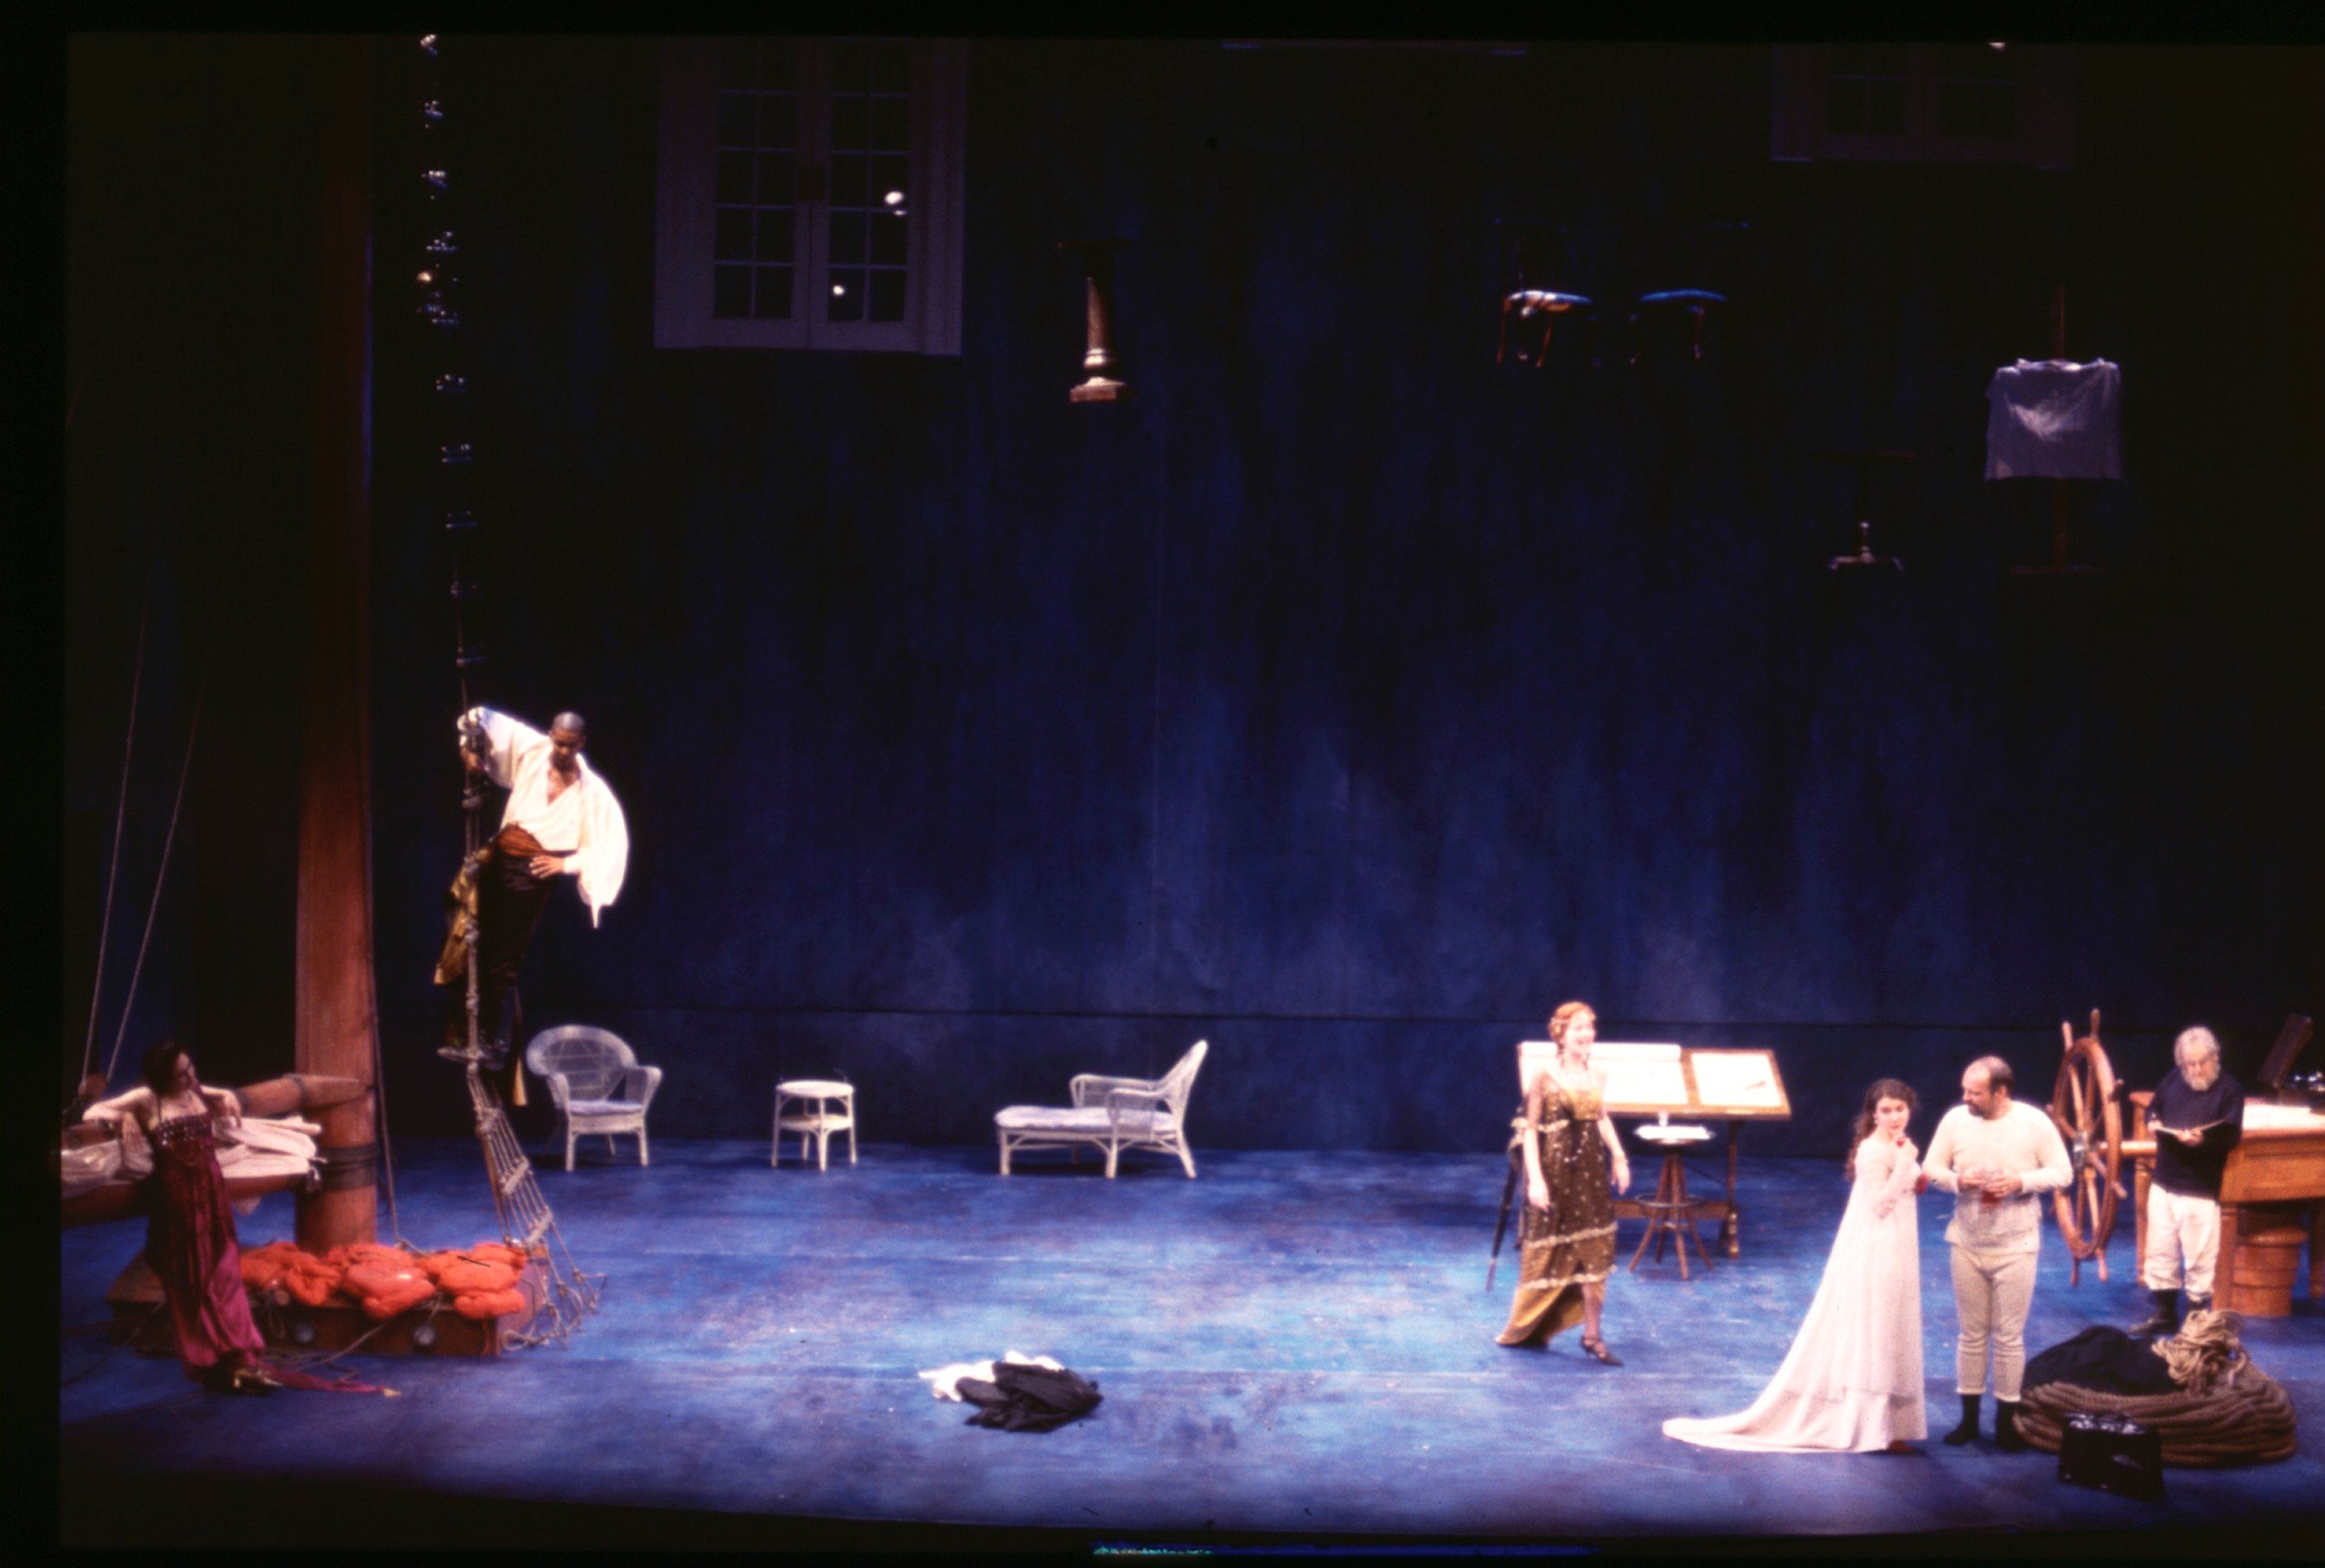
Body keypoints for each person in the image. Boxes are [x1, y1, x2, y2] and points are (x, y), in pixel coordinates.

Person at [1663, 1079, 1927, 1452]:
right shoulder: (1873, 1150)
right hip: (1876, 1250)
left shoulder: (1899, 1145)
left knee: (1892, 1324)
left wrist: (1915, 1171)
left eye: (1900, 1109)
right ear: (1873, 1114)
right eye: (1886, 1110)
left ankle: (1891, 1427)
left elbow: (1908, 1187)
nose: (1895, 1117)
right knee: (1876, 1326)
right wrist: (1904, 1167)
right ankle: (1870, 1428)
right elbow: (1879, 1205)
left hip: (1898, 1245)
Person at [439, 705, 629, 1068]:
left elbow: (609, 846)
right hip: (499, 858)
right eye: (558, 742)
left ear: (582, 743)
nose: (562, 751)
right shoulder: (533, 749)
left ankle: (491, 1042)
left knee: (505, 955)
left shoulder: (592, 792)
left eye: (570, 745)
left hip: (532, 872)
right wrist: (468, 751)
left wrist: (565, 864)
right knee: (470, 938)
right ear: (551, 736)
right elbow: (478, 717)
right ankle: (464, 1035)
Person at [82, 1040, 273, 1392]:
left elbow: (208, 1089)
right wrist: (125, 1116)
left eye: (190, 1068)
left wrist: (224, 1094)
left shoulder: (195, 1088)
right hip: (177, 1198)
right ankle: (215, 1364)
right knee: (192, 1282)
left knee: (225, 1272)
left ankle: (244, 1360)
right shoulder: (146, 1098)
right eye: (180, 1074)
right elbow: (92, 1111)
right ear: (161, 1077)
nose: (189, 1077)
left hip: (211, 1192)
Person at [1921, 1055, 2072, 1450]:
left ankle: (2006, 1424)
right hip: (1967, 1243)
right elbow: (1930, 1168)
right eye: (1965, 1090)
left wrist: (2021, 1181)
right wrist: (1958, 1180)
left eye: (1975, 1092)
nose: (1966, 1098)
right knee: (1971, 1335)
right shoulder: (1955, 1120)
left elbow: (2063, 1172)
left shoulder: (2034, 1122)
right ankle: (1969, 1422)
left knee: (2009, 1338)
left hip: (2016, 1245)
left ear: (2001, 1092)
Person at [1496, 1001, 1632, 1364]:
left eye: (1590, 1027)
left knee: (1595, 1256)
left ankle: (1592, 1335)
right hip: (1556, 1176)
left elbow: (1600, 1116)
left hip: (1590, 1178)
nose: (1587, 1034)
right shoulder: (1544, 1076)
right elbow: (1529, 1131)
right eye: (1578, 1028)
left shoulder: (1597, 1073)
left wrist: (1619, 1156)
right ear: (1560, 1033)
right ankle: (1525, 1327)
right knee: (1548, 1255)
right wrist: (1536, 1182)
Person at [2131, 1026, 2245, 1335]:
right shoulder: (2173, 1080)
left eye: (2201, 1063)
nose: (2195, 1070)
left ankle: (2196, 1320)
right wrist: (2153, 1121)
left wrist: (2202, 1140)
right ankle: (2165, 1314)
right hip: (2164, 1180)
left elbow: (2231, 1135)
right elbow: (2153, 1107)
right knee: (2161, 1250)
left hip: (2199, 1185)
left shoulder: (2229, 1090)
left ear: (2214, 1058)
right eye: (2189, 1064)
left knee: (2199, 1255)